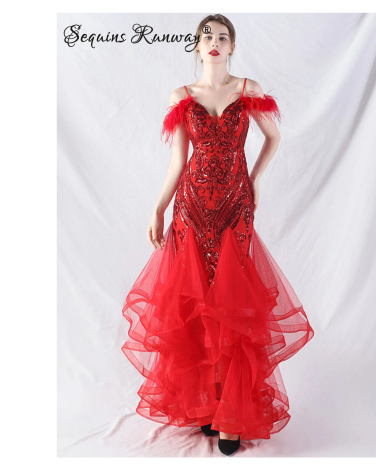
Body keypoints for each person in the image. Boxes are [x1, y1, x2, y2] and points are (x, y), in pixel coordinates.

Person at [121, 14, 314, 456]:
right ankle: (207, 404)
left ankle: (232, 414)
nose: (214, 42)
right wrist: (158, 207)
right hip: (190, 208)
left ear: (232, 47)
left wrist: (255, 179)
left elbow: (273, 137)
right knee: (196, 304)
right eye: (207, 35)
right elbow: (178, 161)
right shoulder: (182, 96)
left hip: (234, 207)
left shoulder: (248, 90)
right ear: (196, 45)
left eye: (222, 37)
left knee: (232, 305)